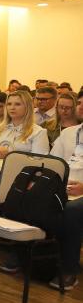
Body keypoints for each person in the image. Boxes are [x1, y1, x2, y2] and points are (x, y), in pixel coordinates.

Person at [49, 93, 83, 289]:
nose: (81, 107)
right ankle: (26, 256)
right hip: (64, 187)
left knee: (72, 210)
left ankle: (69, 269)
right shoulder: (69, 133)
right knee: (34, 197)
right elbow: (53, 163)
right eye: (80, 103)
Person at [0, 91, 49, 158]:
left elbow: (39, 161)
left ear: (27, 107)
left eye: (17, 104)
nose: (12, 108)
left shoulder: (38, 132)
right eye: (9, 104)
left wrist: (9, 155)